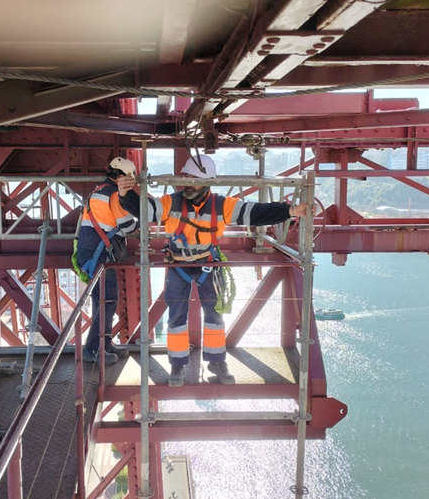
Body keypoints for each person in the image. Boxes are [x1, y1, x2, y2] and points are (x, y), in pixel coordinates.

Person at [117, 153, 307, 386]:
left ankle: (217, 363)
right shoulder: (171, 202)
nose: (187, 184)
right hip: (179, 265)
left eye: (192, 179)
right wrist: (125, 195)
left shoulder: (221, 204)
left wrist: (289, 211)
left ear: (206, 182)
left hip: (208, 264)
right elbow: (146, 210)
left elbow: (255, 213)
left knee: (214, 317)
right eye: (185, 178)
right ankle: (177, 367)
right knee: (176, 317)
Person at [73, 156, 138, 364]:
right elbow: (128, 226)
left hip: (92, 252)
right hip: (98, 254)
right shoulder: (113, 196)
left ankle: (104, 343)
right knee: (107, 300)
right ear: (119, 176)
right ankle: (93, 349)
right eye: (127, 178)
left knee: (104, 300)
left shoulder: (98, 190)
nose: (129, 183)